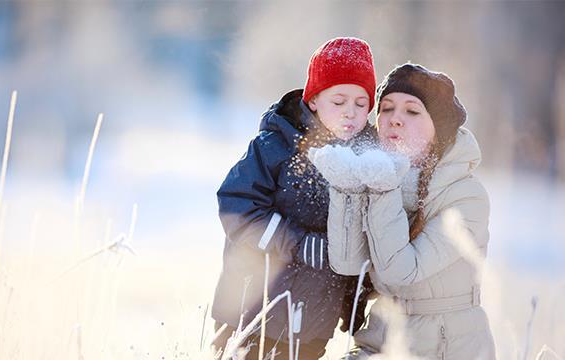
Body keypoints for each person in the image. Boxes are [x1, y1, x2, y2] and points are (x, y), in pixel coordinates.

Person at [312, 63, 496, 359]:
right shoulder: (380, 173)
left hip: (442, 348)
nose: (394, 120)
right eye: (386, 109)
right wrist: (347, 187)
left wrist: (383, 188)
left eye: (411, 111)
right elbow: (349, 263)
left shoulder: (467, 197)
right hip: (380, 338)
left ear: (439, 131)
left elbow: (401, 273)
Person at [210, 37, 377, 359]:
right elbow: (237, 207)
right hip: (250, 312)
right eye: (339, 101)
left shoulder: (368, 161)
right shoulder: (276, 145)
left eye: (361, 103)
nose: (350, 113)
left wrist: (354, 297)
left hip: (313, 322)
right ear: (313, 100)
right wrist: (299, 243)